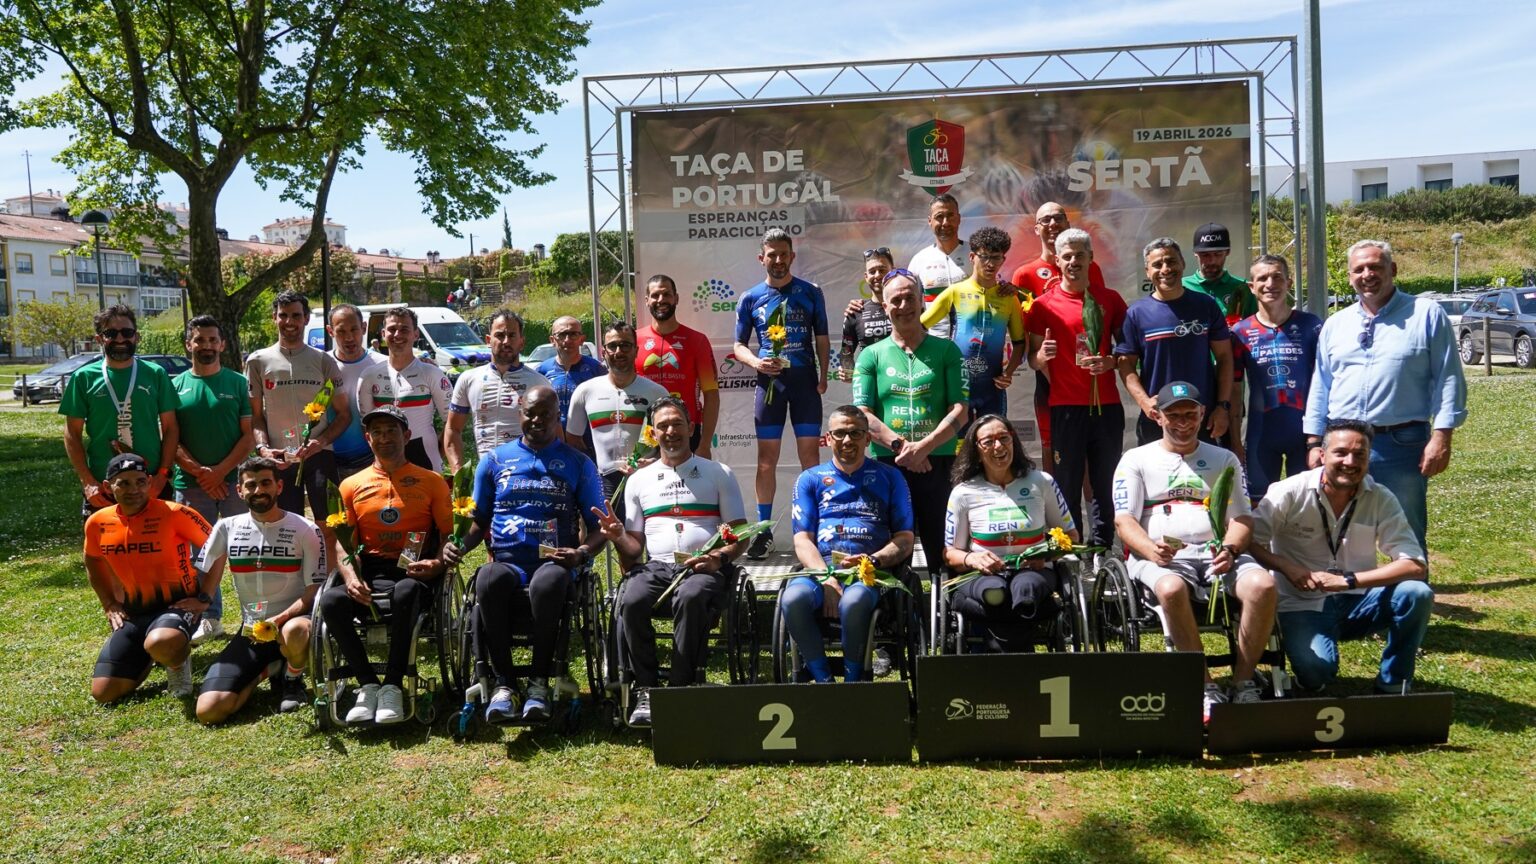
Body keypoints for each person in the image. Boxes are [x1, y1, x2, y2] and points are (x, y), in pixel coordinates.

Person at [1111, 382, 1277, 719]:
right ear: (1158, 417)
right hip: (1161, 557)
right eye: (1174, 415)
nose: (1182, 422)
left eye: (1190, 414)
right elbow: (1124, 521)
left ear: (1202, 415)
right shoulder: (1136, 459)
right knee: (1171, 589)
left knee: (1264, 586)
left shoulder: (1223, 458)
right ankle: (1204, 685)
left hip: (1218, 553)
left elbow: (1242, 517)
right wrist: (1150, 548)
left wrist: (1230, 548)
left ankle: (1243, 682)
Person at [443, 386, 608, 723]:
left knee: (548, 585)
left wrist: (581, 552)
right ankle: (504, 684)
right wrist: (458, 545)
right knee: (486, 579)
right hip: (507, 561)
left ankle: (538, 682)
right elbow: (479, 521)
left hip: (554, 562)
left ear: (557, 416)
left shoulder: (578, 462)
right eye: (530, 413)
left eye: (545, 414)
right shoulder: (494, 460)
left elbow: (599, 526)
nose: (537, 420)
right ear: (519, 414)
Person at [594, 396, 749, 727]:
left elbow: (741, 535)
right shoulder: (638, 480)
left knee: (691, 597)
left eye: (677, 424)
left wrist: (718, 557)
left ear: (691, 428)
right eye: (662, 426)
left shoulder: (718, 473)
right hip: (657, 567)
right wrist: (618, 535)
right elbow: (634, 550)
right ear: (653, 433)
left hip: (703, 567)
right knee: (630, 599)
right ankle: (647, 690)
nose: (670, 431)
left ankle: (679, 689)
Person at [1304, 239, 1466, 553]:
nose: (1368, 275)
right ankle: (1356, 596)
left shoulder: (1426, 315)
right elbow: (1320, 385)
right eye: (1359, 269)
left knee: (1405, 531)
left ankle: (1411, 596)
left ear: (1392, 269)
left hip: (1401, 444)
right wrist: (1313, 442)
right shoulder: (1336, 324)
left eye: (1375, 267)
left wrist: (1442, 436)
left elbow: (1449, 377)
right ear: (1350, 276)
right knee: (1345, 531)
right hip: (1342, 444)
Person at [1249, 420, 1432, 695]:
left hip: (1358, 600)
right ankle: (1308, 670)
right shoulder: (1289, 491)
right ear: (1322, 456)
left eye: (1360, 455)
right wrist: (1287, 568)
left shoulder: (1380, 497)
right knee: (1316, 673)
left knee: (1416, 593)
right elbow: (1250, 540)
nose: (1350, 461)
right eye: (1341, 453)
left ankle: (1394, 682)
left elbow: (1415, 565)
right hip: (1300, 604)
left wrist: (1348, 581)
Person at [315, 405, 452, 725]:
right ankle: (367, 686)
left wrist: (437, 563)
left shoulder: (431, 481)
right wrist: (349, 577)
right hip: (370, 570)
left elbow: (448, 535)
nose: (384, 438)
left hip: (415, 570)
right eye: (377, 432)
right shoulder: (351, 485)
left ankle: (391, 684)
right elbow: (342, 542)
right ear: (367, 438)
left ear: (406, 435)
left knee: (405, 592)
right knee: (333, 600)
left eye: (391, 431)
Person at [782, 406, 914, 682]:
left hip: (869, 570)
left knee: (853, 602)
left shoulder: (890, 476)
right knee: (792, 599)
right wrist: (828, 579)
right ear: (828, 438)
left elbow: (905, 539)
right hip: (822, 569)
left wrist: (875, 561)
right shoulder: (810, 479)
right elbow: (802, 540)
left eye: (855, 433)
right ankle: (823, 682)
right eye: (840, 433)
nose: (847, 440)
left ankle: (855, 684)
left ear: (867, 439)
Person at [853, 270, 969, 581]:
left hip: (940, 463)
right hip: (889, 464)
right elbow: (862, 414)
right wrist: (903, 448)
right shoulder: (870, 355)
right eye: (896, 300)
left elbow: (960, 410)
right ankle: (895, 616)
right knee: (889, 546)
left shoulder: (946, 350)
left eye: (910, 298)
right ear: (885, 306)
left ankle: (949, 611)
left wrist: (924, 448)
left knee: (943, 547)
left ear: (921, 302)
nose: (904, 305)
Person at [193, 457, 326, 722]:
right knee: (209, 711)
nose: (258, 491)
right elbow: (206, 573)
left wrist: (280, 619)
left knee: (296, 631)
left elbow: (314, 591)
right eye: (250, 485)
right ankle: (266, 669)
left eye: (266, 483)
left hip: (293, 624)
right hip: (253, 631)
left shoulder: (305, 529)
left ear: (279, 486)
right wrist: (198, 603)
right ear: (240, 491)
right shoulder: (226, 527)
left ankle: (292, 679)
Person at [732, 227, 830, 559]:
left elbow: (822, 337)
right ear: (762, 258)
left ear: (792, 256)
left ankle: (813, 530)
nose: (777, 260)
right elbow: (737, 346)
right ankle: (763, 533)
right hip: (769, 387)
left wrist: (824, 376)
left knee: (811, 462)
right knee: (765, 463)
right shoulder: (750, 297)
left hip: (804, 385)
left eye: (783, 254)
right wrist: (757, 363)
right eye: (771, 254)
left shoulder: (811, 292)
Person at [1027, 229, 1129, 545]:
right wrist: (1041, 357)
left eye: (1079, 255)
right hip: (1065, 407)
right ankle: (1072, 549)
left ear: (1090, 258)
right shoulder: (1043, 306)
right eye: (1067, 256)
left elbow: (1127, 350)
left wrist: (1110, 362)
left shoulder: (1109, 299)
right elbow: (1031, 358)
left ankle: (1102, 548)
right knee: (1067, 484)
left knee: (1104, 482)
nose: (1073, 261)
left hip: (1106, 406)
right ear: (1057, 261)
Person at [84, 453, 213, 703]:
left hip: (177, 607)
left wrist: (205, 596)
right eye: (124, 483)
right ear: (108, 487)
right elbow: (92, 559)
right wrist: (109, 603)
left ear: (150, 482)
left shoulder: (175, 512)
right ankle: (152, 653)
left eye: (140, 481)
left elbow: (218, 548)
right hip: (134, 613)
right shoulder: (97, 522)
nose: (134, 489)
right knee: (104, 694)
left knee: (163, 641)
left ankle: (176, 665)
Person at [943, 415, 1077, 651]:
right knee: (995, 592)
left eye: (1004, 438)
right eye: (988, 441)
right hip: (983, 577)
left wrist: (1046, 556)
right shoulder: (964, 492)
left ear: (1013, 440)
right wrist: (971, 558)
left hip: (1032, 573)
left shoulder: (1041, 482)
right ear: (976, 448)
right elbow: (950, 554)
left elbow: (1071, 536)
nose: (998, 447)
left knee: (1024, 590)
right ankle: (1013, 662)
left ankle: (1010, 664)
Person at [171, 315, 255, 644]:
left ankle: (255, 616)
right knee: (200, 553)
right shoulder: (174, 386)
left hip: (235, 482)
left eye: (212, 340)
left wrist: (219, 472)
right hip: (191, 484)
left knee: (246, 550)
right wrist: (202, 474)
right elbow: (171, 440)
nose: (206, 345)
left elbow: (248, 437)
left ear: (222, 344)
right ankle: (209, 617)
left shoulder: (236, 382)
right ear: (188, 345)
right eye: (199, 340)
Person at [1009, 201, 1109, 466]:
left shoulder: (1091, 268)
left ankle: (1093, 507)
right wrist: (1040, 362)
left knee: (1091, 452)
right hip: (1048, 378)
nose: (1053, 224)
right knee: (1051, 448)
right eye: (1046, 220)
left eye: (1059, 218)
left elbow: (1096, 316)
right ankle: (1054, 506)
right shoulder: (1024, 274)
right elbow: (1026, 333)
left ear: (1068, 223)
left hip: (1085, 378)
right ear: (1036, 229)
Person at [62, 304, 180, 519]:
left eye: (126, 332)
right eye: (110, 333)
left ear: (137, 337)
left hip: (151, 483)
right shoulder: (83, 378)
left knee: (159, 549)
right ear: (99, 339)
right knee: (105, 551)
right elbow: (72, 434)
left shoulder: (156, 374)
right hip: (103, 486)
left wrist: (163, 475)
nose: (119, 339)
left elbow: (171, 428)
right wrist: (88, 482)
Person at [1115, 238, 1235, 446]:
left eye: (1171, 261)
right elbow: (1125, 364)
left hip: (1202, 417)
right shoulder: (1136, 313)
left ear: (1183, 264)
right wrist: (1144, 402)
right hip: (1157, 418)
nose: (1165, 269)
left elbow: (1225, 357)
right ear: (1147, 271)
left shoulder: (1205, 305)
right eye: (1157, 264)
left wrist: (1222, 407)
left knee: (1207, 478)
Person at [245, 291, 349, 518]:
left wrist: (320, 442)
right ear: (274, 317)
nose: (289, 322)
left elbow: (343, 414)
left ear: (306, 319)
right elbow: (256, 417)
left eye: (295, 315)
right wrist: (263, 449)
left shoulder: (323, 361)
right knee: (285, 528)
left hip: (318, 455)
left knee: (329, 526)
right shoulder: (257, 361)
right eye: (283, 315)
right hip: (279, 457)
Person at [1230, 255, 1323, 500]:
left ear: (1289, 282)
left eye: (1277, 277)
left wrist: (1320, 437)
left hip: (1304, 432)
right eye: (1262, 278)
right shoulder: (1240, 333)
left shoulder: (1311, 326)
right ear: (1251, 287)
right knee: (1260, 506)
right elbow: (1234, 389)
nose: (1270, 284)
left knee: (1306, 504)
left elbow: (1324, 382)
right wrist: (1234, 439)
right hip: (1261, 433)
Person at [921, 226, 1027, 421]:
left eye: (996, 257)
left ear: (1003, 260)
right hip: (958, 386)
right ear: (972, 257)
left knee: (992, 438)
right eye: (984, 256)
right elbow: (919, 328)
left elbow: (1020, 343)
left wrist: (1009, 373)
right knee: (958, 445)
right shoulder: (955, 292)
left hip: (992, 387)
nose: (990, 264)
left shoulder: (1009, 298)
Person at [566, 322, 670, 518]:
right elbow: (573, 439)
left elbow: (671, 440)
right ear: (603, 352)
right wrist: (593, 469)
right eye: (612, 346)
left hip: (648, 477)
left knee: (649, 539)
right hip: (604, 478)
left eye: (625, 345)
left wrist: (655, 461)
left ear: (636, 350)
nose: (618, 351)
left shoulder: (657, 392)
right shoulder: (585, 391)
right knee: (596, 536)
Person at [444, 309, 551, 473]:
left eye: (512, 335)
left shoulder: (538, 382)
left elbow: (553, 433)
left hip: (526, 474)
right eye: (500, 335)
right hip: (486, 473)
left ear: (521, 342)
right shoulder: (469, 378)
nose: (506, 341)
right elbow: (452, 429)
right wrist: (459, 475)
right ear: (488, 339)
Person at [357, 306, 453, 472]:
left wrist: (438, 452)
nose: (397, 335)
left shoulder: (433, 374)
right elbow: (365, 425)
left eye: (404, 329)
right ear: (382, 334)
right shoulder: (368, 376)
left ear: (415, 334)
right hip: (385, 459)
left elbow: (451, 423)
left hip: (426, 456)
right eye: (392, 329)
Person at [635, 275, 720, 457]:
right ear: (647, 300)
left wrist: (705, 444)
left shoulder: (697, 340)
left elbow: (711, 395)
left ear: (676, 298)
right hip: (644, 432)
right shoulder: (634, 341)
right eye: (655, 295)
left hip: (686, 431)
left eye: (667, 294)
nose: (661, 300)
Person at [326, 303, 386, 481]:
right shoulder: (322, 365)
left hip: (371, 459)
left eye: (354, 329)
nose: (349, 337)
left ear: (364, 328)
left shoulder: (383, 364)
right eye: (341, 331)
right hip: (329, 460)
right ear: (330, 331)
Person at [907, 193, 969, 339]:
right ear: (930, 221)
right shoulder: (919, 260)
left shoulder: (976, 255)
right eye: (939, 217)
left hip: (971, 345)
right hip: (934, 346)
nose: (945, 222)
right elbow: (908, 305)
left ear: (959, 219)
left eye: (950, 216)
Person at [837, 248, 895, 381]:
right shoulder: (856, 311)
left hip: (903, 385)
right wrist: (848, 371)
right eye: (872, 271)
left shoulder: (905, 307)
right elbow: (846, 352)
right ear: (866, 277)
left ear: (893, 271)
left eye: (882, 270)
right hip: (870, 388)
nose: (877, 275)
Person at [1183, 222, 1257, 325]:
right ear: (1195, 252)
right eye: (1205, 255)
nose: (1212, 261)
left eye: (1218, 254)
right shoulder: (1182, 286)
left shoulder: (1243, 288)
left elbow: (1256, 327)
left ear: (1228, 252)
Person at [537, 316, 606, 426]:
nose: (567, 340)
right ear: (552, 340)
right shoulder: (541, 371)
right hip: (554, 438)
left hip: (588, 439)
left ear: (582, 340)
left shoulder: (597, 369)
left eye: (573, 334)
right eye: (562, 335)